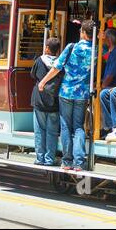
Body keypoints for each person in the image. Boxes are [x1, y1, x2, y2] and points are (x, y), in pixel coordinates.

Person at [38, 22, 95, 171]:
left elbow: (57, 67)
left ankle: (67, 161)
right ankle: (79, 162)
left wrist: (43, 82)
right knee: (78, 127)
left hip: (66, 92)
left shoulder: (72, 47)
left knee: (65, 127)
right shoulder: (96, 49)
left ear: (82, 32)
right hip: (82, 94)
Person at [30, 38, 62, 165]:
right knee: (52, 132)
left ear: (47, 48)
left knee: (39, 131)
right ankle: (49, 159)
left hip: (40, 100)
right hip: (54, 101)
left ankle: (40, 158)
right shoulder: (60, 63)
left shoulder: (39, 60)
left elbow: (33, 75)